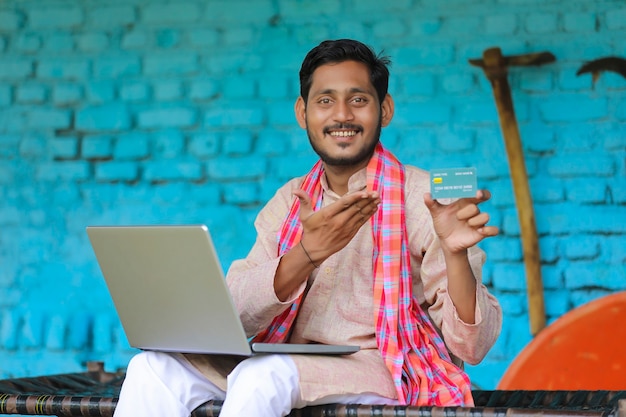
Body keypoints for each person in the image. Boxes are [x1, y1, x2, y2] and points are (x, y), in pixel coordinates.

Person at [113, 39, 502, 417]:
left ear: (385, 110)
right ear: (303, 113)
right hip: (288, 361)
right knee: (152, 368)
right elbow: (238, 316)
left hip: (384, 367)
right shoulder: (289, 200)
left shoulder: (425, 199)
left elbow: (472, 347)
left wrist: (455, 253)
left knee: (262, 376)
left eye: (359, 99)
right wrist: (306, 254)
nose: (342, 115)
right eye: (325, 100)